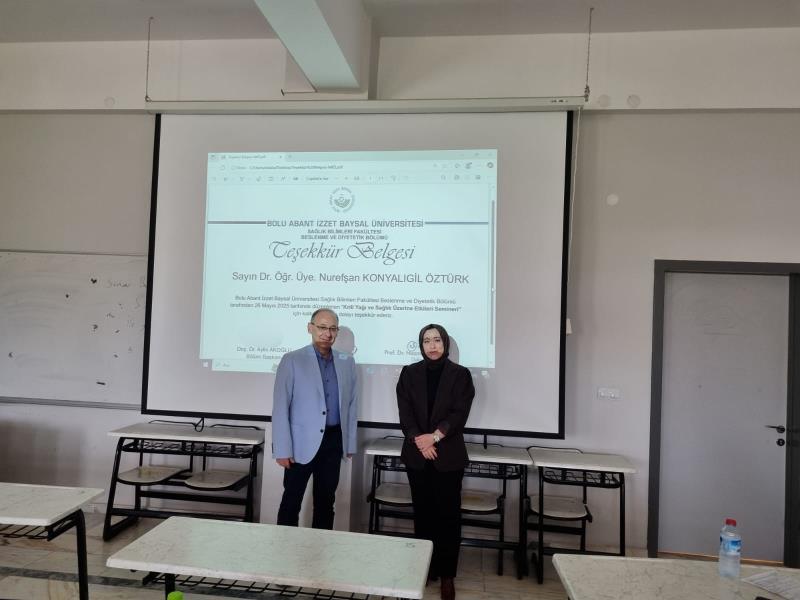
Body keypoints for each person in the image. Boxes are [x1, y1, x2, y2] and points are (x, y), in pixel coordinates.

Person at [396, 323, 475, 600]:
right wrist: (420, 439)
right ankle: (424, 567)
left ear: (445, 344)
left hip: (447, 456)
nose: (432, 345)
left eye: (437, 340)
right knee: (423, 514)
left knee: (448, 517)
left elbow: (459, 413)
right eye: (427, 340)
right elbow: (405, 412)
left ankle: (447, 575)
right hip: (417, 456)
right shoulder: (409, 373)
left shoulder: (460, 375)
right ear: (421, 345)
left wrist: (435, 437)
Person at [272, 308, 358, 529]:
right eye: (322, 327)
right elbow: (280, 406)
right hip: (299, 444)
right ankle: (284, 547)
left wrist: (349, 443)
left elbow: (351, 405)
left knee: (326, 502)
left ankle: (320, 548)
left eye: (332, 329)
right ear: (310, 328)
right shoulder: (292, 360)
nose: (327, 333)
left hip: (333, 441)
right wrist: (282, 449)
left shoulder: (347, 362)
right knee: (291, 501)